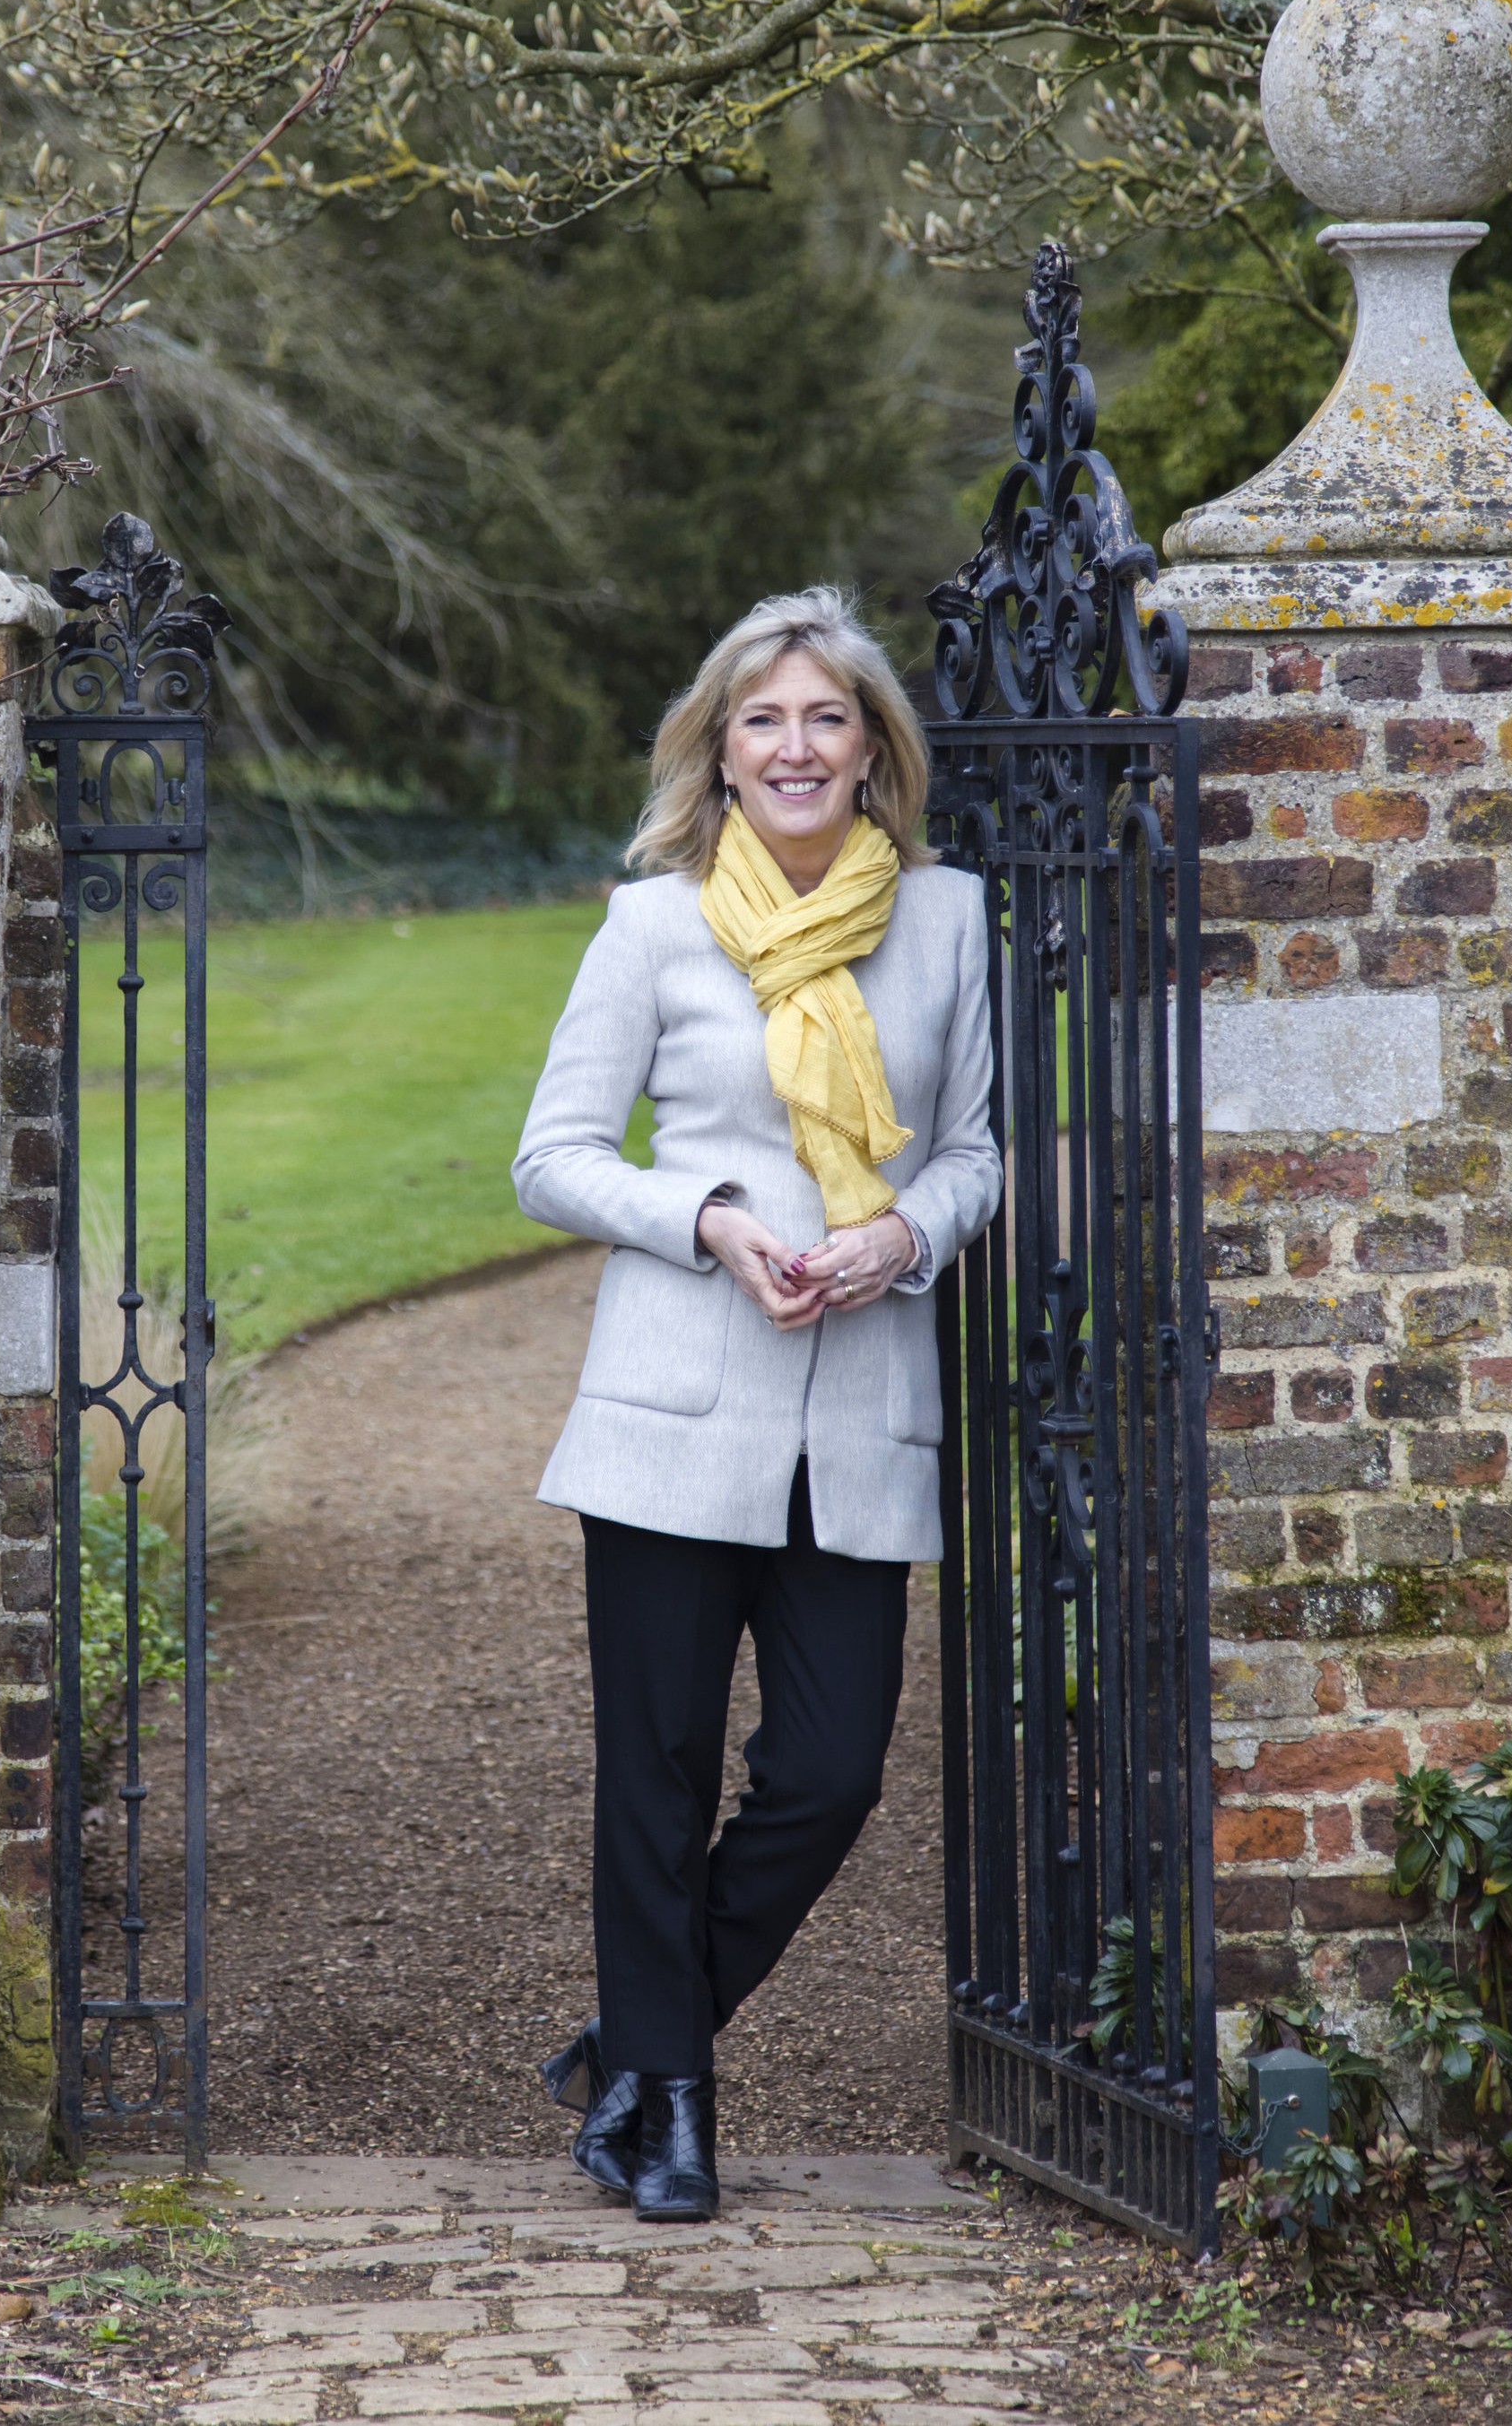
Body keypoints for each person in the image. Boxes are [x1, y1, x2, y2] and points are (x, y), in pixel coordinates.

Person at [511, 586, 1000, 2222]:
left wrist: (897, 1234)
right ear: (718, 755)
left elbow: (974, 1153)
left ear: (874, 751)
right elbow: (554, 1157)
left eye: (825, 719)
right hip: (671, 1409)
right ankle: (674, 2110)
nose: (795, 747)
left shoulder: (946, 921)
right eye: (762, 720)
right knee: (650, 1766)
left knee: (828, 1772)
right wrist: (712, 1218)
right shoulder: (654, 923)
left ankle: (640, 2038)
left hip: (861, 1415)